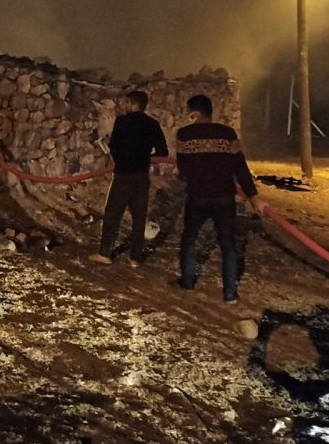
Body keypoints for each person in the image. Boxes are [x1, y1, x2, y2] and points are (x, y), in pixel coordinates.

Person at [175, 94, 265, 303]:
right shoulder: (228, 134)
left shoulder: (184, 134)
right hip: (224, 197)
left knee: (189, 238)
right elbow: (241, 168)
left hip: (197, 196)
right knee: (228, 244)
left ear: (194, 113)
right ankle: (230, 293)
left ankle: (187, 282)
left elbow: (183, 168)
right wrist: (254, 197)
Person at [89, 90, 168, 267]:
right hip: (141, 176)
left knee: (112, 214)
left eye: (126, 103)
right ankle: (135, 258)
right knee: (139, 218)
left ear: (133, 104)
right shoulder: (152, 124)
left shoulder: (122, 122)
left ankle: (105, 253)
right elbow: (163, 152)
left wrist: (123, 158)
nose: (124, 106)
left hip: (123, 175)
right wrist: (144, 157)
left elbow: (114, 147)